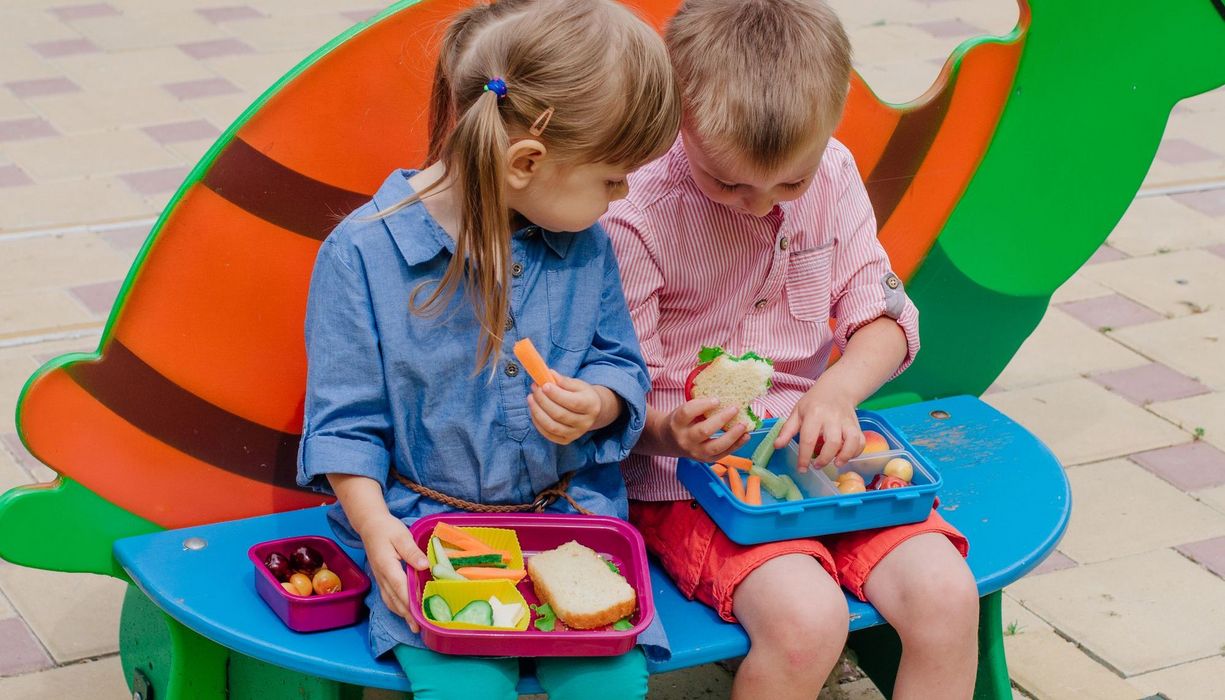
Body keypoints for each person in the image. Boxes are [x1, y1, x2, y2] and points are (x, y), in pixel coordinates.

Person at [297, 2, 680, 698]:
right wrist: (375, 524)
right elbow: (344, 426)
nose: (623, 197)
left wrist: (596, 404)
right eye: (612, 178)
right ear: (527, 162)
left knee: (609, 689)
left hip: (570, 525)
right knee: (465, 689)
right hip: (425, 530)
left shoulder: (585, 243)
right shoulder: (363, 255)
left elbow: (618, 361)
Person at [603, 1, 978, 698]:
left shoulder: (831, 173)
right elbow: (617, 391)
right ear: (678, 111)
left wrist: (835, 392)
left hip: (826, 459)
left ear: (833, 119)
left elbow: (885, 318)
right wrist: (669, 431)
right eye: (728, 182)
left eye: (787, 184)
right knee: (806, 623)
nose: (759, 204)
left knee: (945, 597)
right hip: (688, 482)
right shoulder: (636, 212)